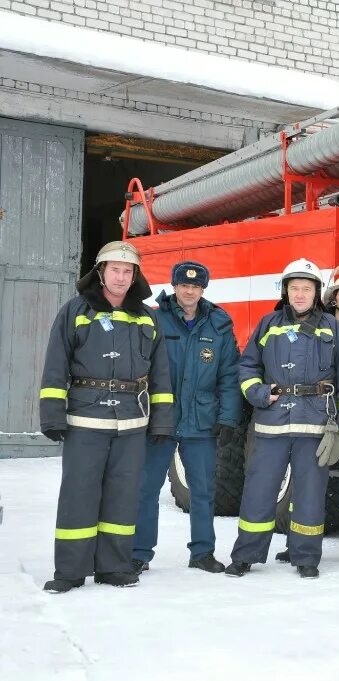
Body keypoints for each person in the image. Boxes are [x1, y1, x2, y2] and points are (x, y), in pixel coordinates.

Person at [37, 240, 174, 594]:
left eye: (128, 271)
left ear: (135, 277)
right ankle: (69, 571)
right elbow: (56, 364)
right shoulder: (75, 310)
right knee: (78, 495)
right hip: (86, 420)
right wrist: (53, 414)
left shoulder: (148, 316)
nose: (121, 277)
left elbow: (161, 373)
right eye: (115, 269)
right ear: (100, 272)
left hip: (132, 423)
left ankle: (113, 566)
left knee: (124, 495)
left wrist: (161, 420)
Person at [226, 258, 339, 579]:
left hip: (315, 422)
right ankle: (245, 555)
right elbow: (247, 368)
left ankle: (306, 557)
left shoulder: (331, 327)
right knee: (259, 489)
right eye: (294, 288)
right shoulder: (268, 323)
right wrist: (258, 393)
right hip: (271, 421)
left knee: (311, 494)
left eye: (307, 288)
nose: (300, 294)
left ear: (317, 293)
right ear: (286, 291)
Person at [132, 261, 242, 576]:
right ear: (175, 286)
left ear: (203, 289)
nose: (189, 290)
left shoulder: (219, 323)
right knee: (147, 488)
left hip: (202, 421)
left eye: (195, 286)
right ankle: (139, 553)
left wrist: (228, 418)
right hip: (162, 419)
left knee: (204, 490)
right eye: (183, 285)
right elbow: (141, 366)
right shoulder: (154, 318)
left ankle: (202, 552)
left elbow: (229, 375)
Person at [276, 261, 339, 566]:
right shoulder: (316, 325)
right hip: (317, 416)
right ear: (333, 297)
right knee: (307, 484)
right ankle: (297, 544)